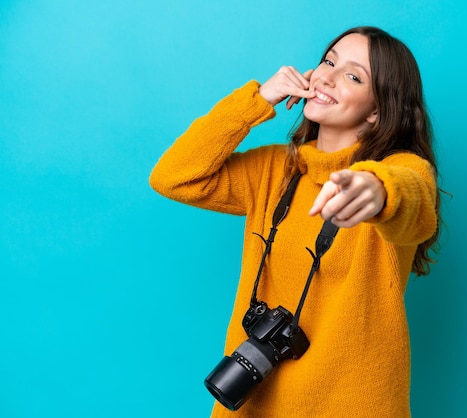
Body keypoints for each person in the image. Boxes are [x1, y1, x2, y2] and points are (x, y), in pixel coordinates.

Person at [150, 26, 440, 417]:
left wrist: (376, 191)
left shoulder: (399, 172)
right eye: (328, 61)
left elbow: (414, 200)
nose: (327, 77)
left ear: (377, 110)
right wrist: (255, 102)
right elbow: (173, 176)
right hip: (251, 400)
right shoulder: (273, 170)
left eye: (353, 76)